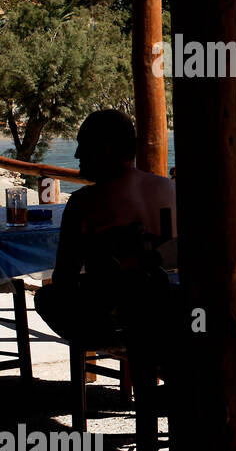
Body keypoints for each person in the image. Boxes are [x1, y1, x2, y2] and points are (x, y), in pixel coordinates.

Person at [35, 110, 177, 343]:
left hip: (116, 321)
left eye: (83, 146)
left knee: (47, 297)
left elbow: (65, 277)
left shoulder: (85, 201)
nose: (77, 154)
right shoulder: (168, 189)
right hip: (169, 313)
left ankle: (110, 340)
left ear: (105, 149)